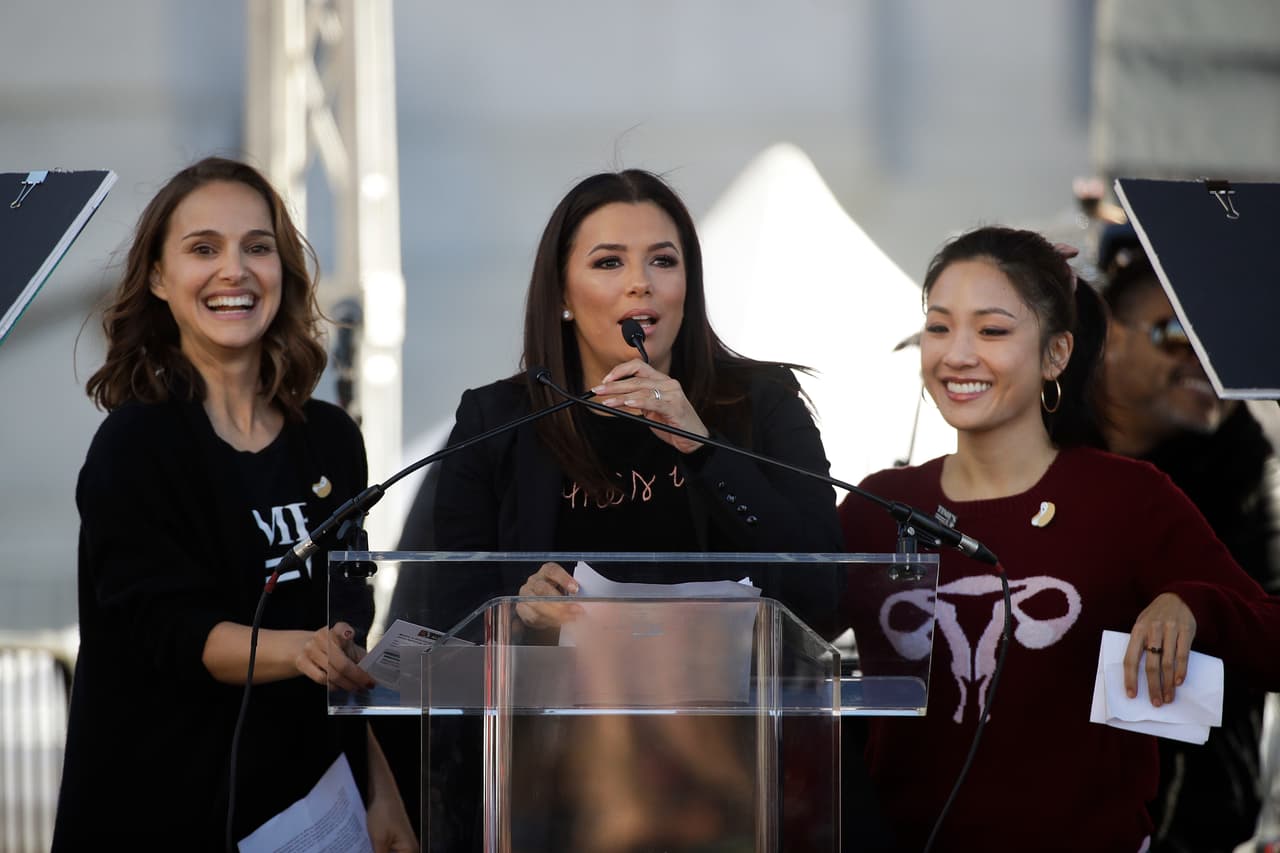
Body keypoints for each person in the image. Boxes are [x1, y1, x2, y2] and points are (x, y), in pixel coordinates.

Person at [398, 168, 847, 850]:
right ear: (562, 297)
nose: (641, 282)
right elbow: (443, 620)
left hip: (737, 779)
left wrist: (701, 445)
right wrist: (518, 612)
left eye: (663, 261)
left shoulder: (758, 402)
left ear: (687, 288)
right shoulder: (498, 420)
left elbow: (823, 591)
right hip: (554, 790)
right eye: (610, 262)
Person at [837, 225, 1280, 852]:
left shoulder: (1128, 498)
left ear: (1055, 355)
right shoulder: (877, 505)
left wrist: (1192, 603)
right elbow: (768, 631)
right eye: (939, 327)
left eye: (991, 330)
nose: (957, 353)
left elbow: (1270, 635)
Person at [53, 157, 415, 851]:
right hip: (163, 809)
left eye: (258, 247)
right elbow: (173, 633)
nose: (235, 270)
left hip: (314, 814)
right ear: (159, 278)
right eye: (203, 249)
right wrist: (304, 649)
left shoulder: (331, 440)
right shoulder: (135, 446)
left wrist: (382, 791)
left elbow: (344, 636)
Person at [1097, 227, 1280, 853]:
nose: (1204, 362)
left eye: (1223, 345)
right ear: (1108, 336)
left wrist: (1198, 605)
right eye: (1177, 334)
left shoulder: (1242, 467)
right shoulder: (1040, 445)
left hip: (1189, 812)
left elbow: (1264, 628)